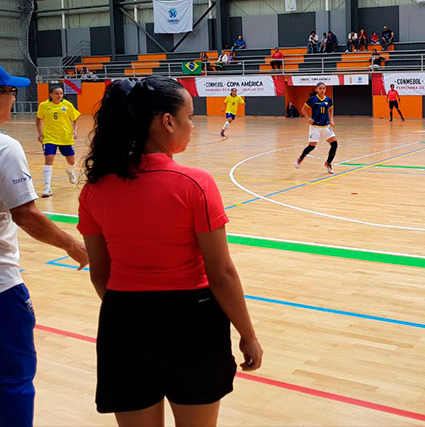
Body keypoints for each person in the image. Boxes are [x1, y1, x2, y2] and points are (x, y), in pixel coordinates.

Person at [78, 77, 263, 425]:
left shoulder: (94, 189)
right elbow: (221, 274)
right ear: (167, 121)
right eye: (189, 117)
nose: (192, 126)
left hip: (124, 320)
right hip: (192, 324)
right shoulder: (196, 184)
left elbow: (100, 274)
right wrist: (248, 335)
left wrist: (133, 314)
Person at [0, 65, 88, 427]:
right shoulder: (5, 148)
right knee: (14, 380)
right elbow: (26, 215)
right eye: (10, 93)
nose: (13, 98)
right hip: (2, 289)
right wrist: (74, 245)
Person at [36, 83, 80, 197]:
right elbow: (38, 119)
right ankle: (47, 188)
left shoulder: (67, 105)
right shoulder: (44, 105)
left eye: (61, 93)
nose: (59, 95)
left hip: (65, 137)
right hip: (50, 137)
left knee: (71, 161)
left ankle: (70, 171)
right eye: (56, 93)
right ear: (51, 94)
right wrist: (40, 133)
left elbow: (75, 119)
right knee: (49, 159)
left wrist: (75, 131)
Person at [294, 82, 337, 174]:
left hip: (325, 126)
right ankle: (300, 158)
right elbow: (303, 109)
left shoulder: (329, 99)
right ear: (316, 89)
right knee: (311, 146)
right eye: (320, 88)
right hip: (315, 127)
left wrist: (331, 120)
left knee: (334, 144)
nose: (322, 90)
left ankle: (328, 163)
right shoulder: (312, 99)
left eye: (324, 88)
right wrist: (308, 118)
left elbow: (331, 110)